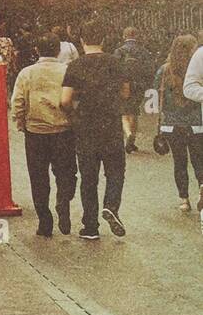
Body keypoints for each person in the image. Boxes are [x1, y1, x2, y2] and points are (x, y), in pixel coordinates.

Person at [61, 20, 131, 240]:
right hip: (110, 126)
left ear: (82, 40)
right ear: (103, 39)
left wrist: (74, 114)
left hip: (85, 128)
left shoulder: (75, 65)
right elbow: (126, 93)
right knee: (115, 172)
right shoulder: (116, 62)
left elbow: (64, 100)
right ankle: (111, 205)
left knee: (88, 178)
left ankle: (90, 227)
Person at [10, 34, 77, 237]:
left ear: (37, 51)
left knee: (38, 178)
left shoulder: (26, 73)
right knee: (66, 173)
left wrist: (21, 123)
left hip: (35, 132)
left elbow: (18, 102)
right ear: (58, 50)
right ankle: (63, 201)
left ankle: (45, 221)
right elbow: (75, 100)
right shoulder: (68, 71)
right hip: (63, 131)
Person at [155, 34, 203, 215]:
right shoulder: (198, 67)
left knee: (179, 162)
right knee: (199, 160)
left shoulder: (164, 70)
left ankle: (184, 199)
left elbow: (155, 95)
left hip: (172, 124)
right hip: (197, 123)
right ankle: (202, 191)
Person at [114, 26, 155, 154]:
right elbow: (150, 69)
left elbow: (114, 69)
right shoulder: (144, 51)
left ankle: (128, 133)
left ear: (124, 36)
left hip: (123, 85)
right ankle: (132, 142)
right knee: (134, 112)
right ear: (137, 36)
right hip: (139, 85)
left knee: (124, 113)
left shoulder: (119, 51)